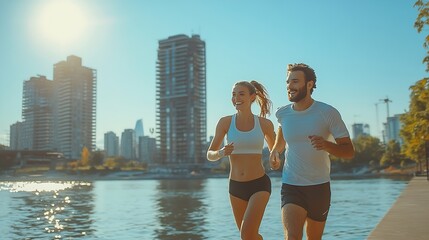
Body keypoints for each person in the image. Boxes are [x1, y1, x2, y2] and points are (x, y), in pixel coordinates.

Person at [269, 63, 355, 240]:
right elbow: (279, 143)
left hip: (319, 187)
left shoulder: (327, 112)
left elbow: (349, 152)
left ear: (309, 84)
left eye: (295, 81)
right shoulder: (283, 114)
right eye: (287, 82)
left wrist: (327, 145)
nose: (289, 86)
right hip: (291, 185)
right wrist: (274, 153)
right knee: (292, 236)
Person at [207, 80, 275, 240]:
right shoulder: (225, 122)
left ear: (252, 97)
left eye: (241, 94)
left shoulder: (265, 124)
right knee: (247, 237)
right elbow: (210, 154)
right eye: (233, 94)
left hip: (259, 184)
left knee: (246, 234)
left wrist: (275, 159)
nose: (236, 97)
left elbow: (274, 152)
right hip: (235, 186)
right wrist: (221, 152)